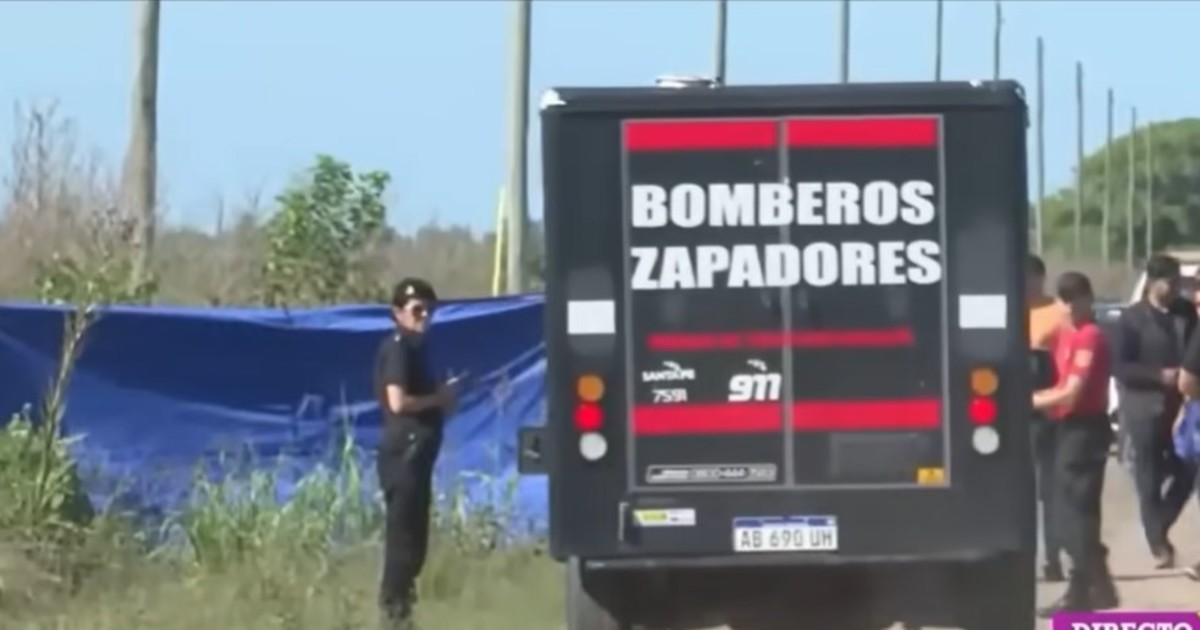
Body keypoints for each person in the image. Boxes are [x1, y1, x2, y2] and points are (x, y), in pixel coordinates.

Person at [374, 277, 461, 628]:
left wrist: (442, 400)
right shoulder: (398, 348)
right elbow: (398, 402)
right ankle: (394, 615)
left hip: (418, 454)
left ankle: (404, 614)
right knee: (403, 542)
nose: (424, 316)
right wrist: (438, 398)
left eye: (429, 310)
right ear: (398, 313)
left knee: (415, 541)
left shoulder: (416, 349)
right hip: (404, 455)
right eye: (416, 310)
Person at [1034, 271, 1119, 615]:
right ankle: (1091, 584)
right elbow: (1039, 349)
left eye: (1075, 299)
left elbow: (1072, 392)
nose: (1069, 307)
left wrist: (1031, 400)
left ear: (1088, 299)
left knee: (1076, 512)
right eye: (1064, 300)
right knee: (1065, 510)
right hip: (1063, 427)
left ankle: (1090, 584)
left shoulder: (1090, 336)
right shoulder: (1065, 332)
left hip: (1085, 429)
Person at [1112, 255, 1197, 568]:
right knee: (1149, 475)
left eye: (1178, 283)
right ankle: (1158, 545)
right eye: (1168, 283)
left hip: (1182, 406)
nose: (1174, 289)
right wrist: (1157, 376)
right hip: (1144, 406)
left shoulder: (1186, 312)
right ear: (1151, 281)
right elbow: (1120, 367)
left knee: (1188, 469)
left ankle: (1158, 524)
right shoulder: (1131, 319)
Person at [1027, 254, 1069, 581]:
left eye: (1030, 276)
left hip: (1048, 411)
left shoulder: (1058, 312)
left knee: (1050, 489)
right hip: (1007, 415)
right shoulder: (1002, 308)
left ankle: (1052, 556)